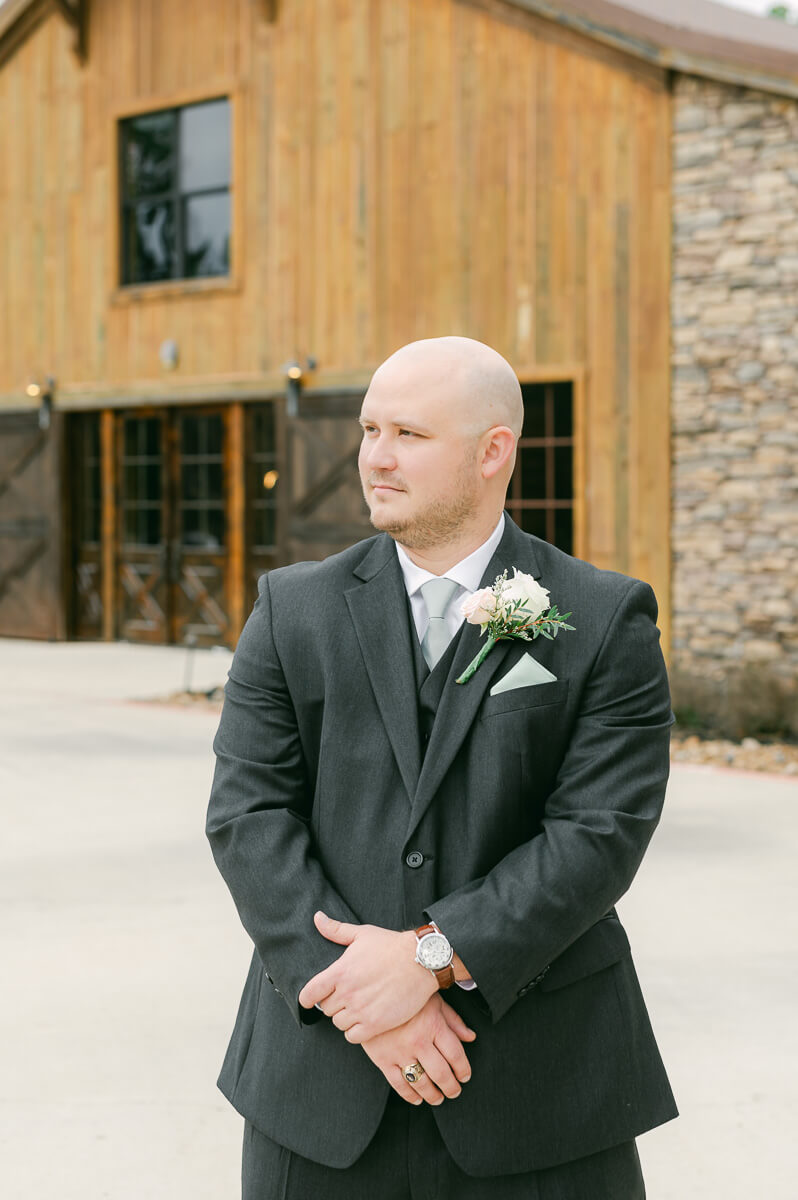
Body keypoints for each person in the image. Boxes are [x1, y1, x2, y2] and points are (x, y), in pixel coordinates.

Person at [206, 336, 677, 1199]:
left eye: (410, 436)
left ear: (492, 451)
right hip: (322, 1088)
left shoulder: (605, 618)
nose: (376, 459)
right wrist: (360, 1000)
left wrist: (429, 957)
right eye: (369, 429)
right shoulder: (290, 611)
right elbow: (248, 818)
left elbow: (598, 835)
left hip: (542, 1093)